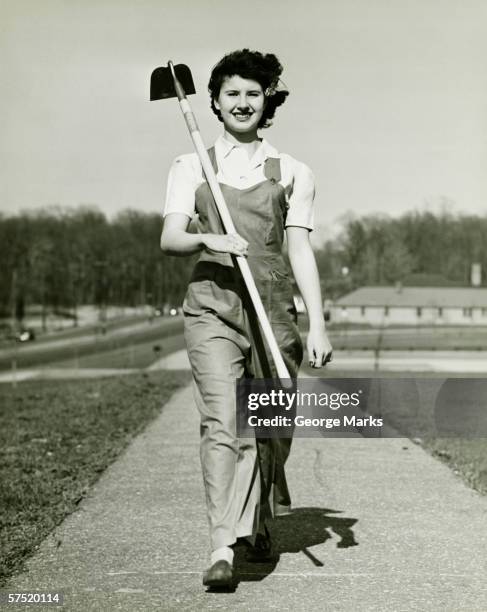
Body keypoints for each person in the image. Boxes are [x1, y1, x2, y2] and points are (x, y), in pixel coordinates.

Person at [160, 49, 332, 588]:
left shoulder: (293, 172)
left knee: (271, 426)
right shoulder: (191, 165)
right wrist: (207, 237)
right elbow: (170, 238)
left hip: (272, 310)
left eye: (252, 94)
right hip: (213, 305)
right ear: (213, 101)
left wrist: (319, 322)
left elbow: (299, 249)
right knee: (223, 423)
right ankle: (221, 546)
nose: (242, 102)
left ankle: (261, 513)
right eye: (231, 93)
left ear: (267, 102)